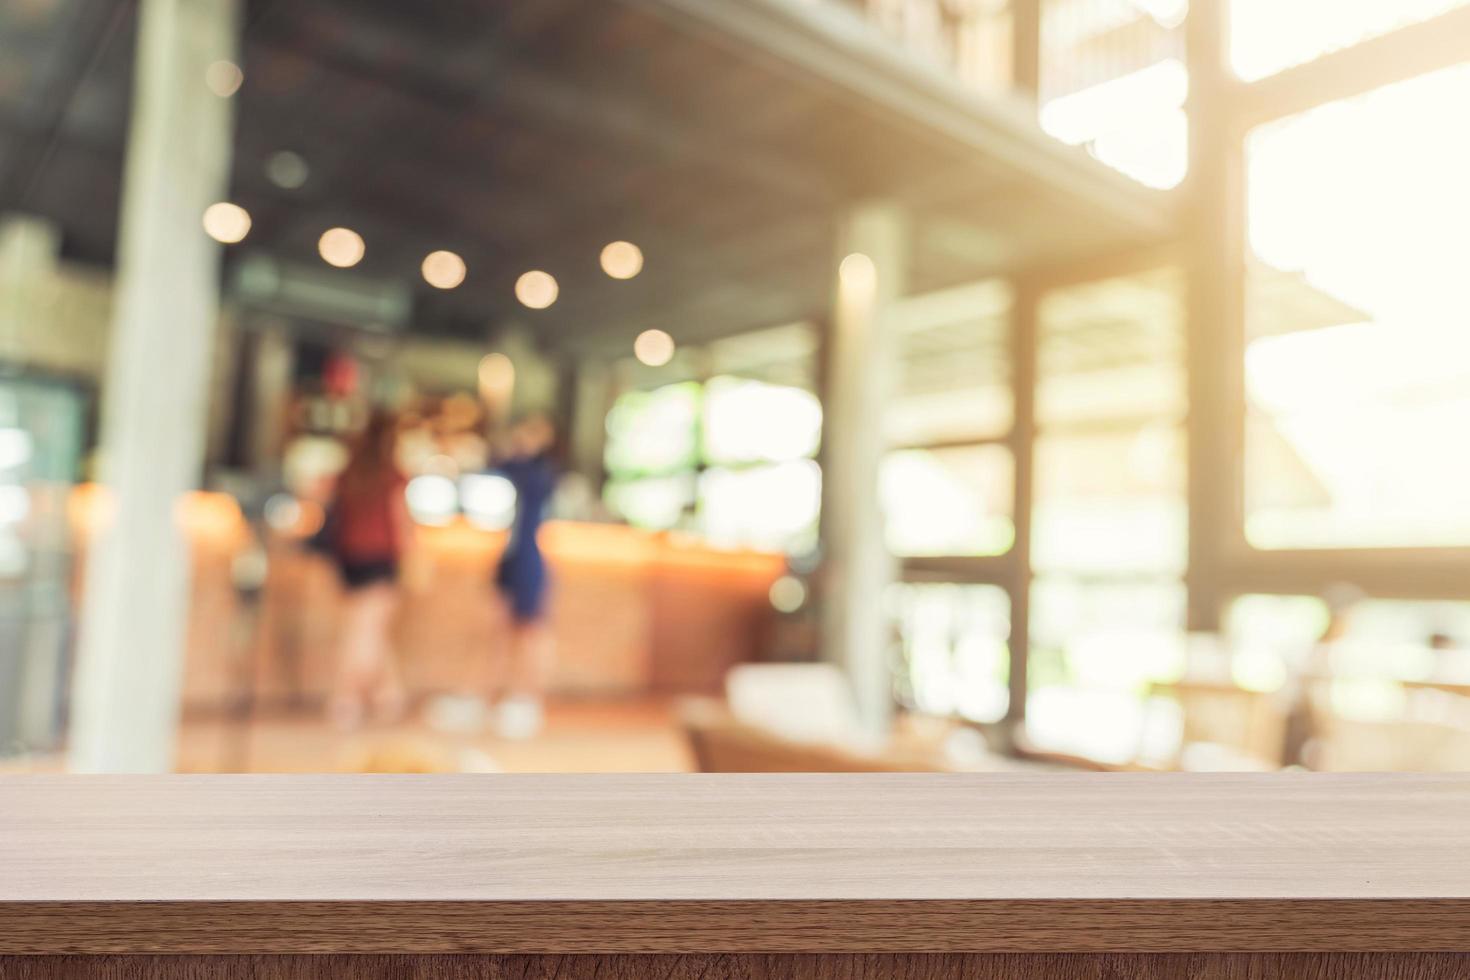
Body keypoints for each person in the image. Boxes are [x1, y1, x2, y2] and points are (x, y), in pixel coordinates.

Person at [325, 410, 411, 730]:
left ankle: (389, 695)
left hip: (349, 559)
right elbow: (401, 519)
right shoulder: (391, 474)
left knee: (369, 627)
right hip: (380, 557)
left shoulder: (351, 468)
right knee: (365, 631)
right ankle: (345, 698)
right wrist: (413, 556)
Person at [489, 413, 557, 739]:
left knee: (530, 632)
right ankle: (500, 696)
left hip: (528, 559)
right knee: (500, 630)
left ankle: (528, 698)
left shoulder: (539, 474)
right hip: (510, 557)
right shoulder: (513, 470)